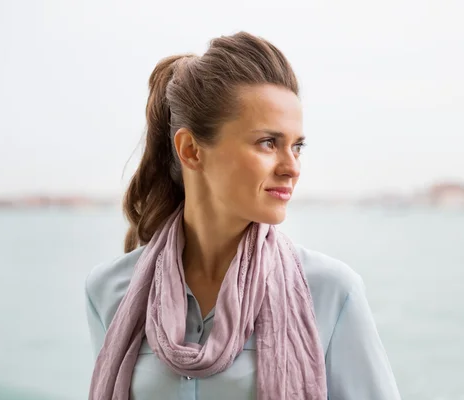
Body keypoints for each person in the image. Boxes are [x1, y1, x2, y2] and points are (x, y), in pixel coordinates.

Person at [85, 31, 401, 400]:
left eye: (297, 146)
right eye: (268, 142)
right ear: (191, 151)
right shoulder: (109, 291)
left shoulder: (331, 292)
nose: (291, 167)